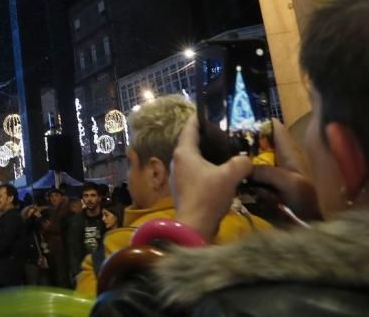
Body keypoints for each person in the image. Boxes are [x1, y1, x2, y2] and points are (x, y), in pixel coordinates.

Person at [94, 0, 369, 315]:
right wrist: (319, 214)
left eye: (315, 106)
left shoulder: (249, 305)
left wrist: (188, 225)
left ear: (348, 154)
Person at [76, 96, 270, 297]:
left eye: (131, 163)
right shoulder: (262, 232)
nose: (129, 175)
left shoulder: (114, 255)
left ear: (155, 173)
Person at [66, 183, 106, 285]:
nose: (89, 199)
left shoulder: (107, 218)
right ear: (82, 199)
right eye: (86, 196)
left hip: (104, 270)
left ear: (99, 197)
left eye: (93, 195)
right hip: (84, 271)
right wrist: (76, 272)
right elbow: (72, 247)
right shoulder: (76, 221)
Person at [42, 188, 73, 287]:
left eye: (56, 195)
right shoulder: (51, 210)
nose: (53, 198)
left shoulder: (65, 209)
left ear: (62, 197)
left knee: (62, 277)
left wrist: (48, 227)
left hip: (61, 249)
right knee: (55, 277)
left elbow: (63, 227)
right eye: (51, 196)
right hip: (52, 248)